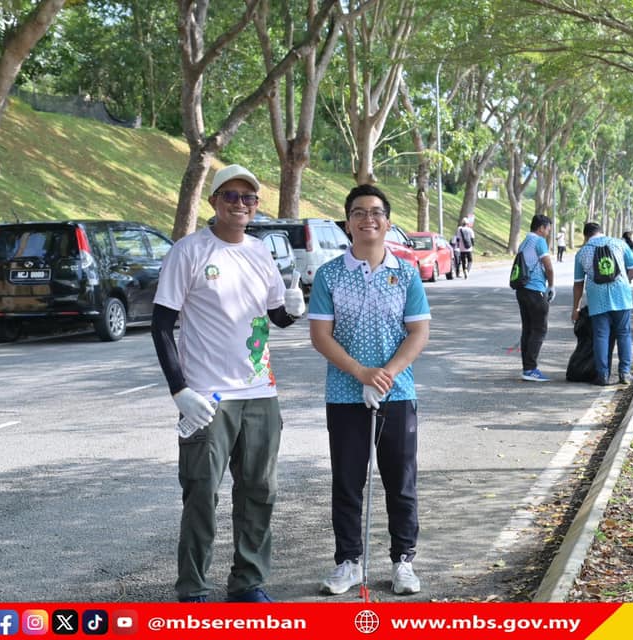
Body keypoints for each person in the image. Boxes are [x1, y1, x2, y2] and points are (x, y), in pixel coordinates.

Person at [151, 164, 306, 603]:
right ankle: (194, 588)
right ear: (215, 201)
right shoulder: (189, 252)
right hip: (208, 396)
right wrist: (180, 390)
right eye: (231, 196)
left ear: (256, 206)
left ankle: (248, 582)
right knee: (201, 492)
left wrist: (294, 308)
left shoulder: (260, 252)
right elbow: (162, 325)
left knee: (259, 491)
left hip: (261, 392)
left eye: (249, 198)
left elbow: (277, 316)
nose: (240, 204)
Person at [309, 184, 431, 596]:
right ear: (348, 223)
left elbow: (418, 331)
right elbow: (321, 335)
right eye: (359, 213)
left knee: (401, 481)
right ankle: (349, 562)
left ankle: (403, 562)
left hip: (397, 394)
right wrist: (361, 373)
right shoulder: (329, 275)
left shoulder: (406, 272)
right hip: (345, 395)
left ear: (388, 222)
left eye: (376, 212)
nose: (368, 219)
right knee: (347, 481)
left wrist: (388, 373)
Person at [572, 222, 633, 386]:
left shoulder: (581, 253)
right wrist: (626, 280)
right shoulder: (619, 243)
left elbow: (578, 283)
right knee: (624, 334)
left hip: (597, 299)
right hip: (621, 296)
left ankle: (602, 375)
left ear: (586, 236)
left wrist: (576, 307)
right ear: (601, 232)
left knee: (601, 336)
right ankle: (625, 373)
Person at [515, 214, 556, 382]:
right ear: (541, 228)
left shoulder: (524, 241)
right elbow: (548, 266)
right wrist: (551, 286)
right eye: (547, 229)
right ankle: (531, 369)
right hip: (535, 290)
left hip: (522, 290)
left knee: (528, 329)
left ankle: (527, 368)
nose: (548, 232)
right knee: (539, 329)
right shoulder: (539, 242)